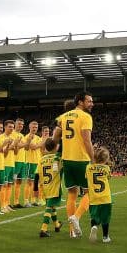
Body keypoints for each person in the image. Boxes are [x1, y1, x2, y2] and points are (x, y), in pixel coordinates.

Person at [57, 93, 95, 236]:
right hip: (81, 159)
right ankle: (76, 217)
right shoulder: (86, 117)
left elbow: (56, 135)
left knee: (72, 193)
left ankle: (72, 231)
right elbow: (87, 140)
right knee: (89, 192)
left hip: (67, 159)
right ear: (80, 102)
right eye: (89, 101)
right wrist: (93, 159)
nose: (92, 104)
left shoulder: (64, 116)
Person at [37, 136, 64, 237]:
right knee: (49, 207)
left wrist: (36, 187)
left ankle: (57, 225)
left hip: (45, 187)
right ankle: (43, 229)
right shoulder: (58, 159)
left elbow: (37, 174)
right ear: (55, 147)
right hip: (55, 187)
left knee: (52, 206)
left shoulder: (41, 159)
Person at [87, 146, 114, 243]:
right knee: (105, 218)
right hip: (105, 198)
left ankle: (94, 226)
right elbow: (109, 178)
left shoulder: (88, 168)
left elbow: (87, 177)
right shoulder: (106, 168)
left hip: (94, 197)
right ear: (105, 159)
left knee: (94, 216)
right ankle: (105, 237)